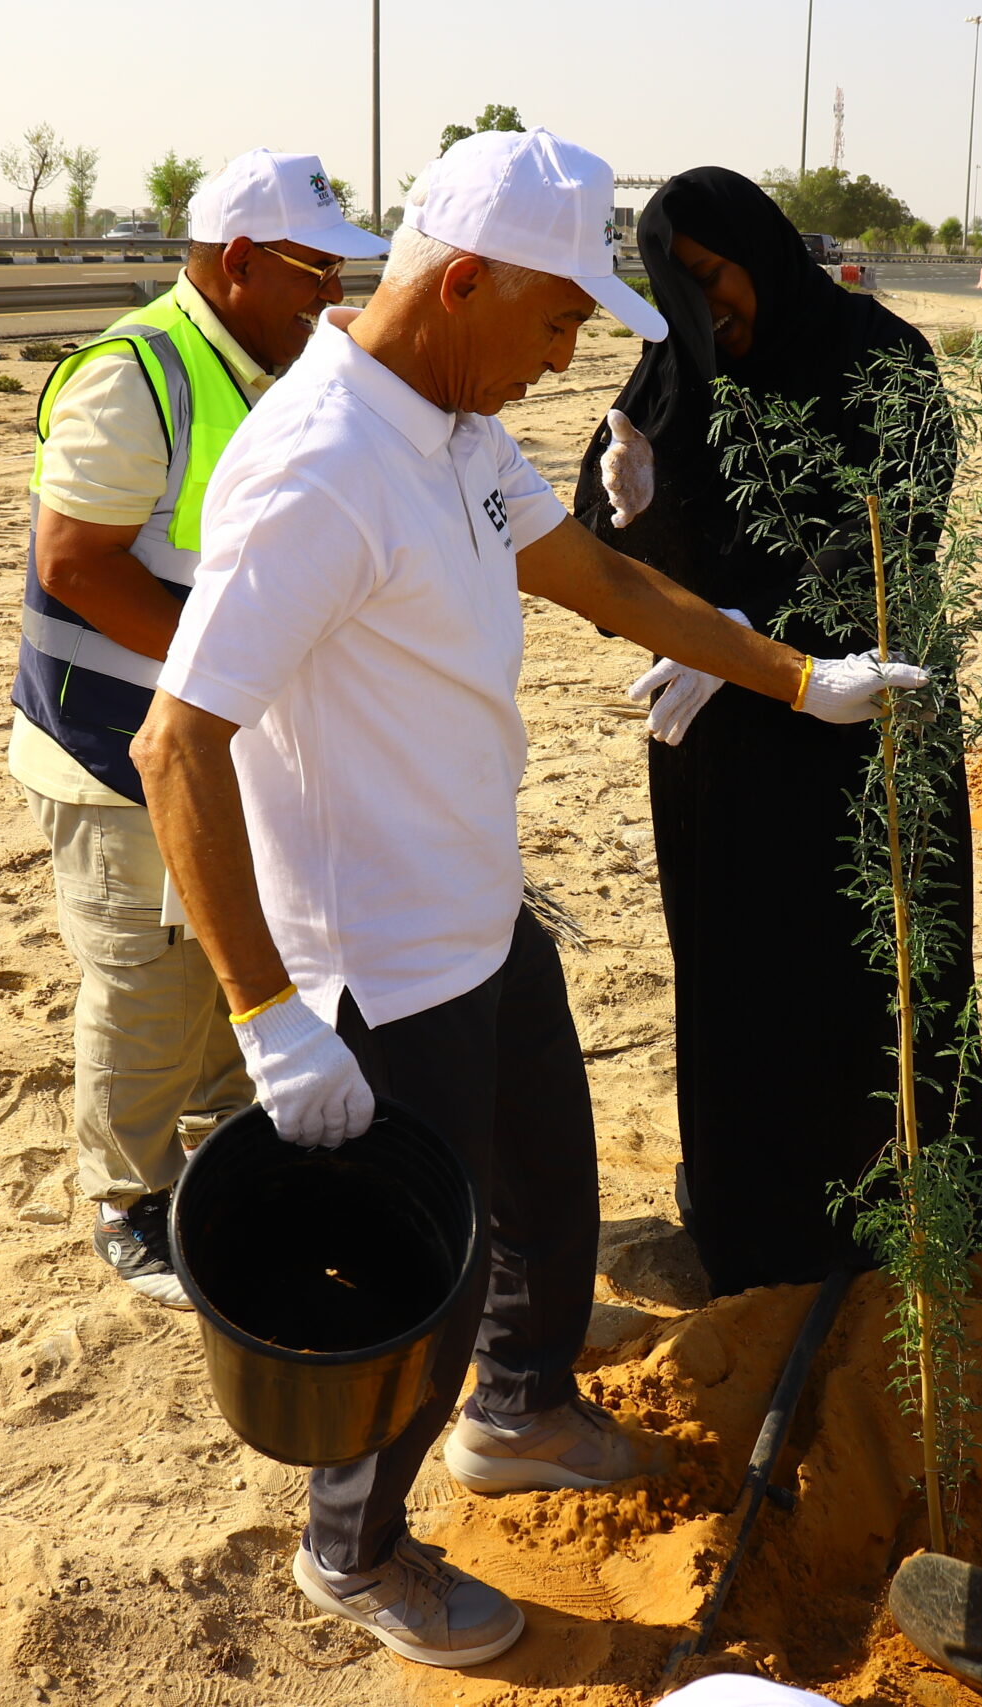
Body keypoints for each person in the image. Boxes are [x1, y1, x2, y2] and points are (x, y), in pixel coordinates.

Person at [130, 128, 927, 1668]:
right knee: (417, 1286)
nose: (569, 358)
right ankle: (353, 1545)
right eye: (558, 319)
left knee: (550, 1202)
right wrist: (267, 1015)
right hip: (369, 964)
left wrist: (794, 675)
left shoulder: (451, 429)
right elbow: (178, 742)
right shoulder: (316, 467)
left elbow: (601, 579)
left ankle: (519, 1413)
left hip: (478, 916)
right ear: (468, 279)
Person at [567, 166, 982, 1297]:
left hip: (865, 726)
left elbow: (904, 538)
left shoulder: (879, 356)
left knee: (876, 965)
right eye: (680, 286)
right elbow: (597, 551)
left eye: (713, 276)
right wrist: (631, 508)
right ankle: (757, 1219)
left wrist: (757, 630)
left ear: (759, 247)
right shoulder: (678, 366)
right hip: (729, 747)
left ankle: (908, 1201)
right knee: (744, 968)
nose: (707, 307)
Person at [8, 149, 384, 1306]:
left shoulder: (279, 365)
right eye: (308, 273)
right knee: (147, 979)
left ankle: (222, 1160)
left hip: (221, 741)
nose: (327, 297)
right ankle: (125, 1201)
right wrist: (236, 660)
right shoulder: (134, 377)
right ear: (235, 264)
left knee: (235, 956)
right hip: (113, 750)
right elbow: (75, 565)